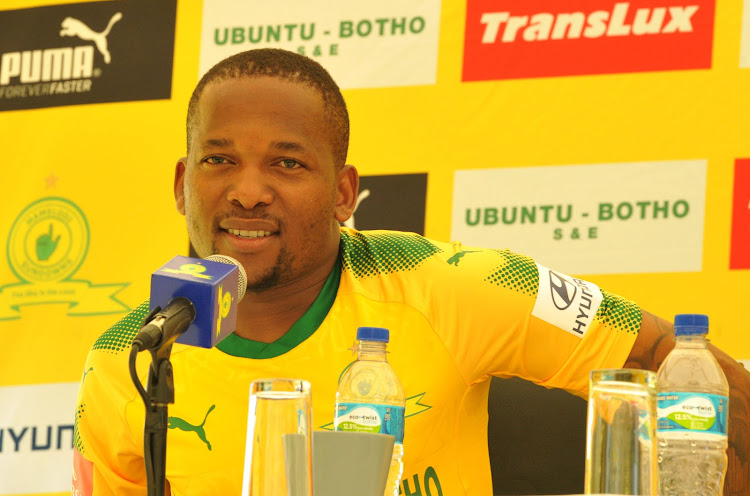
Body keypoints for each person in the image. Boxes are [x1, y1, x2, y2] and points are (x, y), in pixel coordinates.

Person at [73, 48, 750, 495]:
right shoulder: (126, 359)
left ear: (344, 193)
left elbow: (676, 357)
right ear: (184, 182)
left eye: (287, 163)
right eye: (220, 161)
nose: (248, 191)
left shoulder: (454, 286)